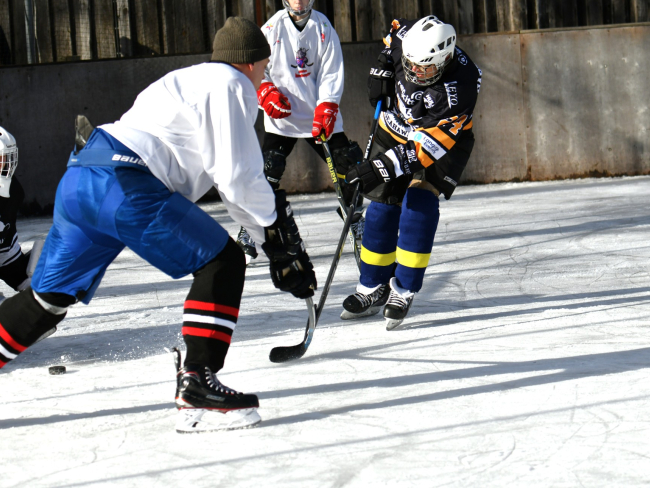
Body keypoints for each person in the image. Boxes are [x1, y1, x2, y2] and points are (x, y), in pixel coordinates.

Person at [0, 17, 317, 433]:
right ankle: (197, 387)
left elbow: (229, 179)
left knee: (48, 299)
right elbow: (236, 177)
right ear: (252, 63)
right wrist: (273, 236)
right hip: (124, 185)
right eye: (264, 66)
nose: (263, 76)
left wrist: (268, 233)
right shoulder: (232, 84)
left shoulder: (183, 79)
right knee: (222, 261)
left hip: (82, 175)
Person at [343, 16, 482, 330]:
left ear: (444, 60)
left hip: (439, 141)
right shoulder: (408, 39)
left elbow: (421, 151)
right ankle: (372, 284)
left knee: (418, 202)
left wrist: (376, 168)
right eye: (410, 64)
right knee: (380, 206)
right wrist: (381, 68)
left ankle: (403, 289)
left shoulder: (459, 90)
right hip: (394, 127)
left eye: (424, 68)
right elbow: (391, 35)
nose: (414, 72)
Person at [236, 0, 365, 264]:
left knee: (348, 169)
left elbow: (332, 71)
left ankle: (355, 222)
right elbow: (258, 68)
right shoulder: (271, 28)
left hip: (319, 117)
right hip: (283, 118)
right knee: (266, 172)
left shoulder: (323, 27)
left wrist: (327, 105)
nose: (300, 2)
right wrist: (265, 91)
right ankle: (249, 231)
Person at [0, 127, 34, 293]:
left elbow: (6, 245)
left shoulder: (13, 190)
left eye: (6, 158)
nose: (5, 164)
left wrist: (23, 276)